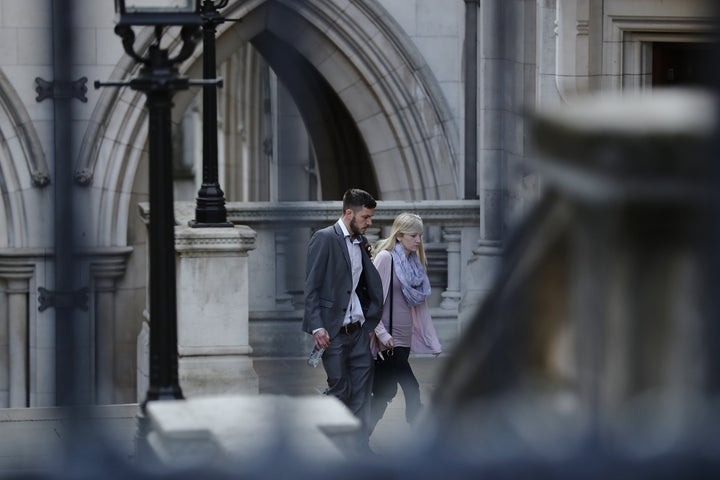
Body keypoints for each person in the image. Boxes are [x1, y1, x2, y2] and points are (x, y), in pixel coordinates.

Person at [302, 188, 384, 449]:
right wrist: (317, 327)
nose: (369, 222)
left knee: (361, 394)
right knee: (340, 390)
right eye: (365, 217)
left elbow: (364, 285)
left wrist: (371, 324)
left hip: (359, 332)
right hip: (332, 334)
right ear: (349, 213)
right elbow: (311, 287)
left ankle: (359, 450)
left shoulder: (361, 242)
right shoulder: (324, 239)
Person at [369, 212, 441, 434]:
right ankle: (419, 429)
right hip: (388, 339)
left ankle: (361, 434)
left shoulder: (414, 264)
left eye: (420, 235)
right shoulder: (385, 259)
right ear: (399, 236)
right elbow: (372, 302)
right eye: (413, 235)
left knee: (385, 392)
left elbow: (421, 307)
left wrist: (432, 341)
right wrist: (381, 334)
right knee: (412, 388)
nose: (418, 240)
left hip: (404, 337)